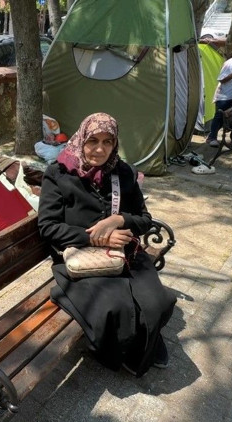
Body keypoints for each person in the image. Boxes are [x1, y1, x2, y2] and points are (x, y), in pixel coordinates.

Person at [37, 113, 176, 377]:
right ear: (81, 140)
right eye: (93, 141)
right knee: (116, 307)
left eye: (107, 142)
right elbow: (48, 227)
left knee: (158, 301)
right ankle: (127, 350)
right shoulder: (59, 174)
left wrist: (119, 219)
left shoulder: (123, 172)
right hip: (81, 257)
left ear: (114, 144)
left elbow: (144, 220)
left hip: (125, 253)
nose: (99, 149)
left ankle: (146, 339)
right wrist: (95, 237)